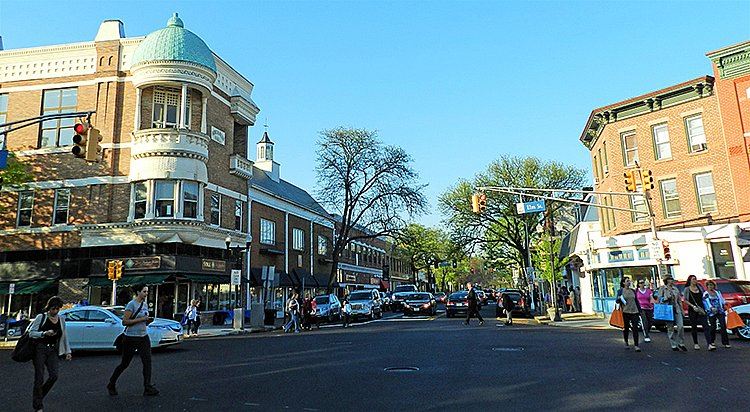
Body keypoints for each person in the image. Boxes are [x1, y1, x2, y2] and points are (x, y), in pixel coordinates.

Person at [108, 284, 159, 396]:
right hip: (131, 337)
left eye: (147, 291)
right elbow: (125, 321)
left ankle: (147, 386)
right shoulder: (131, 304)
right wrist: (141, 319)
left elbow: (144, 320)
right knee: (125, 363)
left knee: (147, 362)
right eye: (144, 291)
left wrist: (147, 321)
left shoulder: (144, 305)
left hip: (143, 336)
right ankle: (111, 383)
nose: (146, 294)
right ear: (138, 292)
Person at [28, 296, 72, 412]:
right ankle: (38, 406)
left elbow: (64, 336)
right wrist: (44, 333)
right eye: (53, 309)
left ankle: (39, 396)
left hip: (53, 350)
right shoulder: (41, 317)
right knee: (39, 377)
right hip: (40, 349)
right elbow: (31, 333)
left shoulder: (61, 319)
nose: (55, 311)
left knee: (54, 375)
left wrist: (68, 351)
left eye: (57, 309)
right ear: (49, 308)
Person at [656, 276, 687, 351]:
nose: (672, 281)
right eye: (671, 279)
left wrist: (682, 309)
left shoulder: (675, 289)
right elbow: (659, 299)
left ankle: (681, 343)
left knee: (680, 326)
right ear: (667, 280)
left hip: (676, 309)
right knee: (670, 328)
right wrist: (666, 298)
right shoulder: (662, 288)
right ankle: (673, 344)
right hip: (668, 310)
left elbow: (679, 300)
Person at [683, 275, 710, 350]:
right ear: (690, 280)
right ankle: (696, 343)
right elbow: (685, 299)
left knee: (706, 326)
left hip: (701, 309)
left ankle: (709, 343)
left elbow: (704, 297)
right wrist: (692, 306)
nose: (695, 280)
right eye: (693, 279)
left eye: (696, 279)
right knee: (694, 326)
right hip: (693, 310)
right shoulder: (687, 289)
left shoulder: (699, 288)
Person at [616, 277, 642, 352]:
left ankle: (636, 345)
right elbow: (617, 301)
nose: (629, 282)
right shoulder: (620, 291)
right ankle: (626, 342)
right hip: (625, 312)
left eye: (629, 281)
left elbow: (636, 301)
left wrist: (639, 310)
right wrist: (619, 299)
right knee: (626, 328)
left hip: (634, 311)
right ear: (623, 283)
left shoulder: (633, 291)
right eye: (627, 281)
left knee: (635, 328)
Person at [703, 280, 730, 350]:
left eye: (711, 285)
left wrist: (725, 304)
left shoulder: (717, 292)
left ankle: (726, 342)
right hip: (712, 312)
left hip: (720, 310)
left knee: (723, 325)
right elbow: (705, 302)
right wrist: (711, 308)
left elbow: (721, 299)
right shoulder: (705, 294)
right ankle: (712, 341)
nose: (710, 286)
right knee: (713, 326)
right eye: (709, 285)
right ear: (707, 286)